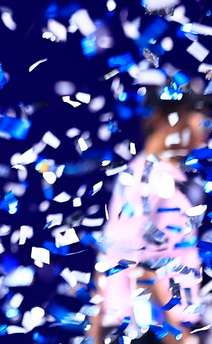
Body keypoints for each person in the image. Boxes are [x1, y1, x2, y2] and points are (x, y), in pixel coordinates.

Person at [88, 88, 208, 344]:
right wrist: (173, 333)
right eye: (200, 114)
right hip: (148, 327)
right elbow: (132, 262)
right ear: (171, 118)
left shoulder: (161, 172)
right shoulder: (151, 176)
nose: (207, 125)